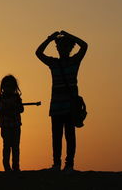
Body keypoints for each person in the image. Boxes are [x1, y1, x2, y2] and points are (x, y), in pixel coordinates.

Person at [35, 30, 88, 172]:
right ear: (58, 48)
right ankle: (56, 164)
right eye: (60, 47)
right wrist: (50, 38)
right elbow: (38, 53)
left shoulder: (74, 61)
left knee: (70, 136)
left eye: (66, 46)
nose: (62, 49)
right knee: (56, 137)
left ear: (70, 48)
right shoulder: (54, 63)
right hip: (56, 107)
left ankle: (69, 164)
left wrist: (68, 35)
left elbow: (84, 46)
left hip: (70, 107)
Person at [0, 75, 24, 172]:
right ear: (3, 87)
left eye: (11, 87)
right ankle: (7, 167)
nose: (9, 89)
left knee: (16, 146)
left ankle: (16, 166)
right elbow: (1, 109)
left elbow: (21, 109)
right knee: (7, 146)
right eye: (7, 86)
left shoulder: (16, 98)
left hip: (16, 125)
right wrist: (11, 106)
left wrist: (16, 104)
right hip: (5, 126)